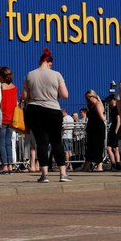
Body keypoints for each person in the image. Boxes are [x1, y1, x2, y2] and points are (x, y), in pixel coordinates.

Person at [21, 47, 70, 183]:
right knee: (57, 142)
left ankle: (44, 175)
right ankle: (63, 174)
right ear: (49, 62)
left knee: (41, 143)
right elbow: (65, 95)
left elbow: (24, 96)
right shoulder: (56, 75)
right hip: (53, 110)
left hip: (35, 110)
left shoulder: (30, 75)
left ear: (40, 61)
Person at [0, 66, 18, 174]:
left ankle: (4, 165)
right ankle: (11, 165)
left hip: (2, 117)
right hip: (12, 118)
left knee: (1, 142)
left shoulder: (1, 87)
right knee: (8, 142)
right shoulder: (14, 87)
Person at [82, 90, 106, 172]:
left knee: (98, 146)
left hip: (97, 128)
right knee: (90, 146)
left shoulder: (97, 104)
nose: (88, 100)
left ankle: (99, 165)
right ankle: (88, 164)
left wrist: (104, 116)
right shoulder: (91, 105)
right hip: (92, 128)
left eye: (88, 98)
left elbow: (102, 117)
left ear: (93, 96)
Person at [105, 96, 121, 171]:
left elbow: (119, 120)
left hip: (115, 129)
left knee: (109, 148)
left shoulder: (115, 108)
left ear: (114, 100)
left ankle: (113, 164)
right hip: (115, 129)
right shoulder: (113, 109)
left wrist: (116, 130)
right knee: (116, 148)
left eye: (110, 100)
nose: (109, 102)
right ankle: (117, 164)